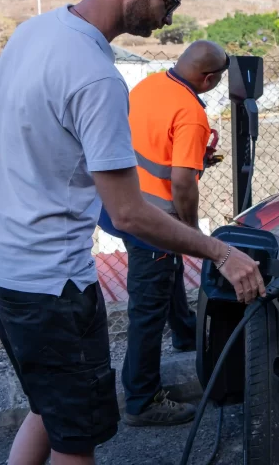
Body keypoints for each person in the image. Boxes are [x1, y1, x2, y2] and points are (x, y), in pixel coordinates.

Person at [0, 0, 264, 465]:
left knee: (48, 407)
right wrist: (221, 251)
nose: (169, 18)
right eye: (168, 1)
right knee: (75, 441)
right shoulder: (97, 77)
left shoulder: (32, 33)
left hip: (1, 268)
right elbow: (129, 211)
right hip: (51, 288)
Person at [118, 40, 229, 426]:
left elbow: (150, 145)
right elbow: (182, 182)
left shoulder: (148, 85)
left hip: (127, 201)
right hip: (155, 219)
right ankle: (141, 399)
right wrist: (190, 226)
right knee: (147, 307)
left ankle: (185, 332)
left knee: (168, 273)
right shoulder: (192, 114)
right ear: (210, 78)